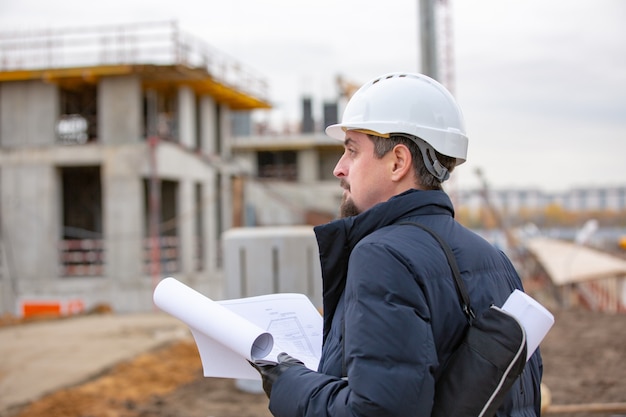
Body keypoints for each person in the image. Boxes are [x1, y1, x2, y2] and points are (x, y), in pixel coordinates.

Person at [250, 72, 543, 417]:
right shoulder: (496, 260)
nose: (339, 169)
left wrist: (289, 383)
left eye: (352, 151)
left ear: (398, 162)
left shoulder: (383, 256)